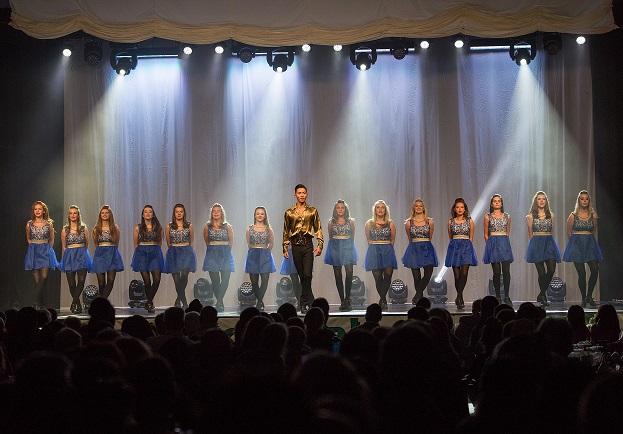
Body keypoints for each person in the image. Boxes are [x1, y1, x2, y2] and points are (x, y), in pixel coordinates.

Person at [282, 184, 323, 314]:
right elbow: (286, 231)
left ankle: (303, 302)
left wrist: (320, 245)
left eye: (303, 193)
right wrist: (284, 247)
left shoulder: (312, 211)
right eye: (299, 193)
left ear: (306, 195)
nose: (301, 195)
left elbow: (318, 229)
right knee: (302, 276)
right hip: (295, 245)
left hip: (307, 244)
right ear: (295, 195)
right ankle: (311, 302)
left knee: (308, 275)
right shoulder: (289, 212)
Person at [563, 190, 603, 307]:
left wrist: (587, 239)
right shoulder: (573, 216)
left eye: (586, 199)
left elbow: (593, 230)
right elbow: (569, 232)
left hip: (590, 245)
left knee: (595, 270)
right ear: (579, 201)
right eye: (582, 199)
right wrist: (575, 243)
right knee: (582, 273)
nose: (584, 201)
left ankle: (589, 295)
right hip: (577, 246)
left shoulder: (593, 215)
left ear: (589, 201)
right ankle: (583, 298)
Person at [525, 191, 561, 307]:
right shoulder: (531, 216)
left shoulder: (551, 215)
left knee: (551, 270)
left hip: (549, 243)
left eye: (543, 199)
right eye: (539, 199)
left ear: (546, 201)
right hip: (536, 244)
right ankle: (543, 296)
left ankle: (541, 294)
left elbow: (551, 230)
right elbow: (530, 234)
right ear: (536, 201)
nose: (541, 201)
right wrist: (535, 246)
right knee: (541, 273)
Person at [401, 199, 438, 305]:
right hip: (414, 249)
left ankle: (417, 295)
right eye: (416, 206)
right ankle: (419, 299)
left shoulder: (430, 222)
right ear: (414, 208)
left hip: (427, 249)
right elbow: (410, 238)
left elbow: (430, 237)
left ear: (423, 208)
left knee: (428, 274)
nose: (418, 208)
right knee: (416, 277)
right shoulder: (409, 223)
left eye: (420, 206)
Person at [324, 200, 358, 311]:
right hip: (335, 247)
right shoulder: (331, 222)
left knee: (349, 272)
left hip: (347, 246)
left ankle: (348, 298)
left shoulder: (350, 221)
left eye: (342, 207)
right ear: (335, 210)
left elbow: (352, 236)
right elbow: (330, 237)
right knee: (338, 274)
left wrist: (349, 247)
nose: (340, 209)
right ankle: (342, 299)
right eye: (338, 208)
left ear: (345, 209)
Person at [24, 201, 59, 309]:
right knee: (37, 280)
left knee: (44, 277)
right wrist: (33, 247)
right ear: (33, 211)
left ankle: (34, 300)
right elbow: (28, 238)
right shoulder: (29, 224)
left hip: (45, 251)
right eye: (35, 209)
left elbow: (52, 239)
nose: (37, 211)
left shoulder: (49, 224)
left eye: (39, 209)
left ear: (44, 211)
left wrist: (48, 249)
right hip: (34, 250)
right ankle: (42, 304)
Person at [363, 200, 397, 311]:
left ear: (385, 210)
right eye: (378, 207)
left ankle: (382, 299)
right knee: (378, 278)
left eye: (382, 207)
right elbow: (368, 239)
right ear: (375, 210)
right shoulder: (369, 223)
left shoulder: (390, 223)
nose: (380, 209)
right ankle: (383, 299)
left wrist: (387, 250)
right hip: (374, 251)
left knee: (388, 275)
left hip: (387, 250)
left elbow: (392, 240)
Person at [59, 205, 93, 314]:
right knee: (71, 284)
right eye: (71, 213)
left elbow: (86, 244)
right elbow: (64, 246)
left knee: (81, 280)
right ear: (68, 215)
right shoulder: (65, 229)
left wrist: (81, 253)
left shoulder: (84, 228)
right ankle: (77, 304)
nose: (73, 215)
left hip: (82, 256)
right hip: (70, 256)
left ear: (78, 215)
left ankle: (74, 303)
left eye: (75, 213)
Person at [445, 198, 477, 309]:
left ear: (465, 209)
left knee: (464, 273)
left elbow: (471, 237)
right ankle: (460, 297)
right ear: (454, 209)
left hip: (466, 247)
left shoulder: (469, 221)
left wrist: (467, 247)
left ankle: (458, 296)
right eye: (457, 207)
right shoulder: (450, 222)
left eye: (462, 207)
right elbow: (450, 237)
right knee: (457, 275)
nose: (459, 209)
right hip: (455, 248)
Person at [131, 205, 165, 313]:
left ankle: (149, 301)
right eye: (145, 211)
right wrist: (140, 253)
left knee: (157, 279)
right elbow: (135, 244)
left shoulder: (158, 227)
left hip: (154, 253)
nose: (148, 213)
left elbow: (160, 242)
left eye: (150, 211)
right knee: (147, 281)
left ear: (153, 214)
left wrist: (155, 251)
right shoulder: (138, 227)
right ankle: (150, 303)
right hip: (142, 253)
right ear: (142, 214)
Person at [202, 203, 235, 312]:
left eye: (218, 211)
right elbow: (207, 241)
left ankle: (219, 301)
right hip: (212, 254)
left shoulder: (227, 226)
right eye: (214, 211)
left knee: (225, 279)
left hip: (225, 254)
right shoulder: (207, 227)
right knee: (215, 280)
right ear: (211, 213)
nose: (216, 213)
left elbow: (231, 241)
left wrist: (225, 251)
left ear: (221, 213)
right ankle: (220, 302)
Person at [164, 204, 197, 310]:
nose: (179, 213)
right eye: (177, 211)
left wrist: (189, 251)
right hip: (174, 252)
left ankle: (181, 301)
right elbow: (168, 242)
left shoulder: (189, 225)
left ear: (184, 213)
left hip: (186, 252)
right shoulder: (169, 226)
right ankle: (183, 302)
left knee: (184, 275)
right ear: (174, 213)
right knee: (177, 280)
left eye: (181, 211)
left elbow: (192, 240)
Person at [482, 194, 514, 305]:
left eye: (499, 201)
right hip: (493, 243)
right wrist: (490, 245)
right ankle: (498, 296)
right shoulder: (488, 217)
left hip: (504, 243)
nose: (497, 202)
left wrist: (504, 242)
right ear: (491, 204)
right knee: (496, 272)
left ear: (501, 203)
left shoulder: (507, 216)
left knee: (506, 271)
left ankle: (507, 295)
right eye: (494, 201)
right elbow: (486, 234)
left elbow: (507, 232)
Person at [244, 206, 276, 311]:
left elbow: (271, 243)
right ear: (255, 215)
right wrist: (255, 250)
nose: (260, 215)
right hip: (253, 255)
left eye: (262, 214)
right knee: (254, 282)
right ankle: (260, 301)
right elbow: (249, 243)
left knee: (265, 280)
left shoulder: (268, 229)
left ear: (265, 216)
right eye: (258, 213)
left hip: (265, 255)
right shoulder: (249, 229)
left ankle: (259, 302)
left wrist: (265, 252)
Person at [91, 205, 124, 300]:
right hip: (100, 255)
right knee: (101, 282)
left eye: (107, 213)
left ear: (110, 214)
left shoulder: (115, 229)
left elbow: (116, 244)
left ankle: (101, 302)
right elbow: (96, 244)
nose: (105, 215)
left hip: (112, 254)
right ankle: (102, 303)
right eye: (103, 213)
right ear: (100, 215)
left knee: (111, 280)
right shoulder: (96, 229)